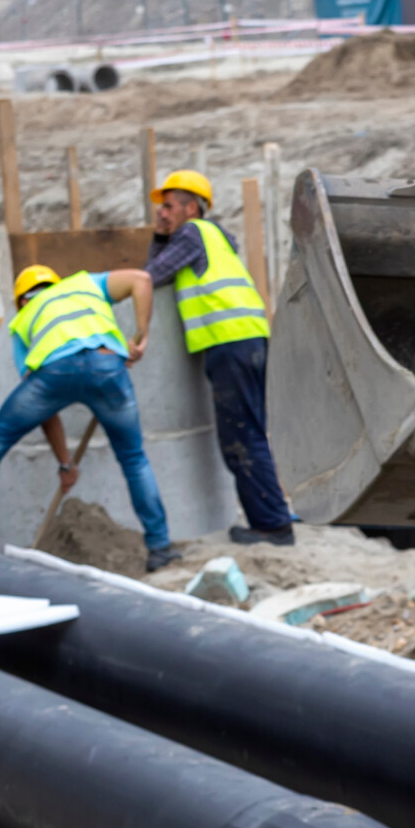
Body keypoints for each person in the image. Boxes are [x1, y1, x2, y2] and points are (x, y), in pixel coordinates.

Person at [0, 265, 177, 571]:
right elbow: (143, 279)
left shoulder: (23, 320)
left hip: (54, 371)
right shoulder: (85, 282)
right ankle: (160, 546)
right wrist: (141, 336)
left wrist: (65, 463)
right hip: (109, 365)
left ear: (21, 300)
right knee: (134, 458)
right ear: (56, 282)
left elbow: (45, 411)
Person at [146, 169, 294, 546]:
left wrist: (157, 240)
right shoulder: (214, 239)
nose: (161, 213)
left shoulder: (192, 234)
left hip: (230, 344)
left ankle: (272, 525)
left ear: (191, 208)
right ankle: (272, 516)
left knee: (241, 438)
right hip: (248, 341)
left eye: (168, 206)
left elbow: (151, 277)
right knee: (252, 433)